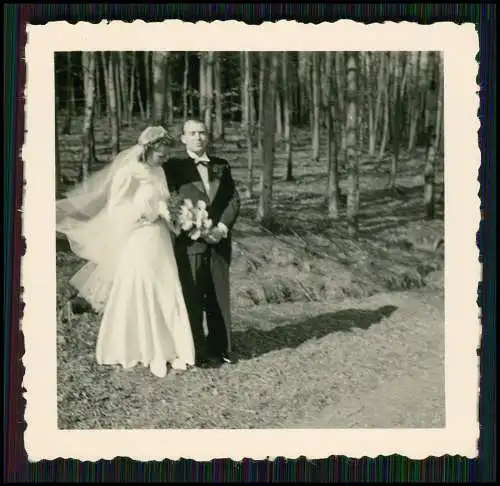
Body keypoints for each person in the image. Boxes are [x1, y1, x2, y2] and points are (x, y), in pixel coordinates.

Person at [56, 126, 195, 378]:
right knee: (141, 286)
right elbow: (115, 207)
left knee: (166, 285)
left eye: (165, 156)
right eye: (160, 154)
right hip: (138, 235)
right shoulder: (128, 171)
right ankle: (138, 346)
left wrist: (169, 213)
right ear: (149, 149)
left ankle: (169, 347)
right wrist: (141, 213)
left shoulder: (159, 170)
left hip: (160, 236)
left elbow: (162, 198)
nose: (164, 159)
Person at [163, 119, 240, 367]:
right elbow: (169, 202)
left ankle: (222, 348)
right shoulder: (173, 167)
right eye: (192, 133)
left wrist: (221, 228)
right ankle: (195, 350)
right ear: (183, 138)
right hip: (190, 244)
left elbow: (233, 200)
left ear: (207, 137)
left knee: (218, 297)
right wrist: (192, 227)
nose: (198, 137)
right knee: (192, 297)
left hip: (218, 242)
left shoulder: (221, 165)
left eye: (202, 133)